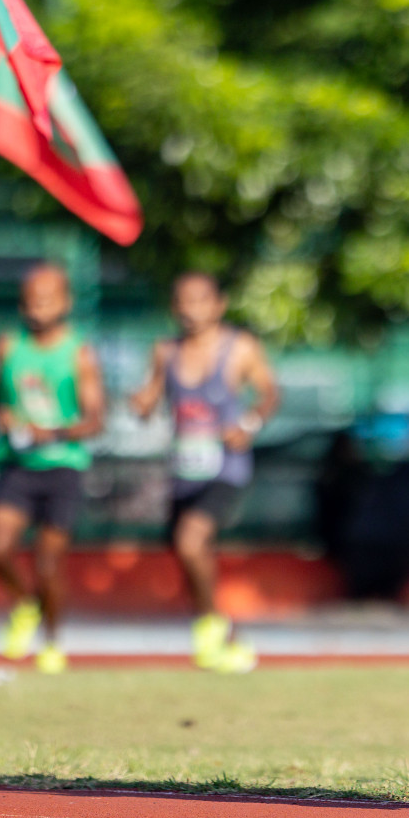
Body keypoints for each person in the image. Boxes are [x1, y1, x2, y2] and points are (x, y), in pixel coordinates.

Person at [130, 273, 279, 673]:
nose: (191, 310)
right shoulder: (166, 351)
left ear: (218, 305)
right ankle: (221, 633)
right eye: (183, 302)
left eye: (200, 301)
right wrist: (141, 403)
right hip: (182, 471)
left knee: (191, 541)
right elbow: (152, 395)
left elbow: (269, 393)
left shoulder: (239, 348)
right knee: (185, 552)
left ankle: (211, 627)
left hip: (225, 469)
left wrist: (248, 425)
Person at [0, 264, 105, 674]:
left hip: (63, 469)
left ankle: (52, 640)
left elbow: (96, 420)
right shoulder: (10, 347)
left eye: (46, 299)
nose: (36, 308)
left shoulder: (78, 354)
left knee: (47, 563)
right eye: (29, 300)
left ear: (65, 302)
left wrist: (54, 432)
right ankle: (24, 605)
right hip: (18, 467)